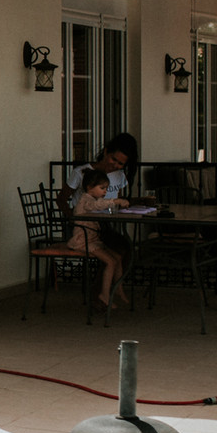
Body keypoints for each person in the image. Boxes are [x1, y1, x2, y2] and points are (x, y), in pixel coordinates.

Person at [60, 131, 146, 271]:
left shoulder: (119, 175)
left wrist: (139, 201)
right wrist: (73, 217)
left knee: (125, 249)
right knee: (116, 251)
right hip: (85, 227)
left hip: (105, 225)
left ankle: (109, 287)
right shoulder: (82, 172)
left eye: (120, 163)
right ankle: (104, 289)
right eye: (114, 159)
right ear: (106, 152)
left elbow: (119, 199)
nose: (115, 165)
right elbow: (62, 199)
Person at [66, 170, 130, 310]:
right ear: (89, 187)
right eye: (102, 188)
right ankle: (104, 294)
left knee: (117, 257)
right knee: (110, 262)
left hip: (92, 239)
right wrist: (116, 201)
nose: (105, 191)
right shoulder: (86, 200)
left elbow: (99, 204)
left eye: (106, 188)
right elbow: (96, 206)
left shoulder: (92, 199)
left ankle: (118, 288)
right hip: (83, 241)